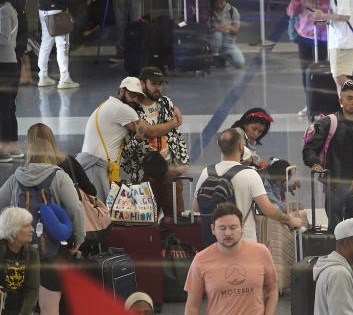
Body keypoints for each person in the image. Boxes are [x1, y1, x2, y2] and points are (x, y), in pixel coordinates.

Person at [0, 126, 85, 315]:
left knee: (19, 307)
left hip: (19, 253)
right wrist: (78, 239)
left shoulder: (16, 177)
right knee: (50, 307)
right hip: (49, 253)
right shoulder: (59, 176)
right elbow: (76, 211)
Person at [195, 128, 303, 243]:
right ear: (241, 147)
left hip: (214, 241)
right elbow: (268, 209)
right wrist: (290, 220)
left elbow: (196, 207)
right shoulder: (250, 174)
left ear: (220, 147)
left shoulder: (206, 172)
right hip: (243, 241)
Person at [302, 81, 353, 231]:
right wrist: (315, 163)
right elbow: (309, 149)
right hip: (334, 184)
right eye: (349, 98)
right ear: (341, 101)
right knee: (336, 229)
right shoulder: (329, 122)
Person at [118, 67, 189, 213]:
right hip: (145, 177)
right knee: (146, 228)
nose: (158, 88)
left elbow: (175, 137)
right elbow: (143, 137)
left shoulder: (166, 103)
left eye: (160, 84)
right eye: (154, 84)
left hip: (170, 174)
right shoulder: (131, 109)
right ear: (142, 83)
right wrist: (172, 123)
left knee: (176, 223)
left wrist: (183, 163)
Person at [76, 77, 150, 200]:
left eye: (139, 97)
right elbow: (149, 131)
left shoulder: (108, 104)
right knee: (98, 211)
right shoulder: (123, 109)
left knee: (97, 210)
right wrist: (173, 124)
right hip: (96, 165)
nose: (135, 100)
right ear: (121, 91)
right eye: (132, 94)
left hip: (93, 163)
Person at [0, 207, 39, 315]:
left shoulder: (31, 253)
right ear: (13, 229)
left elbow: (32, 289)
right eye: (26, 225)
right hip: (2, 311)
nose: (32, 229)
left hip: (22, 310)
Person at [287, 0, 330, 116]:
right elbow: (291, 12)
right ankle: (309, 104)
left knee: (319, 70)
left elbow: (330, 8)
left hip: (321, 37)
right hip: (304, 37)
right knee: (305, 71)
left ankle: (322, 104)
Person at [34, 0, 77, 90]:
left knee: (45, 43)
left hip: (43, 11)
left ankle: (43, 76)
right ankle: (64, 79)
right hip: (57, 11)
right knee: (62, 46)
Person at [313, 0, 353, 90]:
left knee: (339, 78)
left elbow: (345, 16)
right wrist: (328, 18)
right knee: (338, 80)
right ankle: (346, 110)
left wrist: (324, 15)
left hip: (343, 41)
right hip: (338, 40)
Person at [0, 0, 22, 161]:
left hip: (4, 64)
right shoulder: (9, 9)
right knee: (7, 106)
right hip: (8, 63)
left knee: (3, 107)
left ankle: (4, 148)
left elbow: (4, 39)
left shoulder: (3, 11)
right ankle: (13, 146)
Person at [208, 0, 244, 69]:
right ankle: (215, 56)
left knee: (239, 63)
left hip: (229, 42)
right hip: (213, 42)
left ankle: (223, 56)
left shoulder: (232, 11)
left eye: (221, 3)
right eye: (217, 4)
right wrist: (213, 28)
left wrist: (230, 27)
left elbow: (236, 31)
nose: (220, 5)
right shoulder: (209, 12)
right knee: (217, 34)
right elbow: (204, 30)